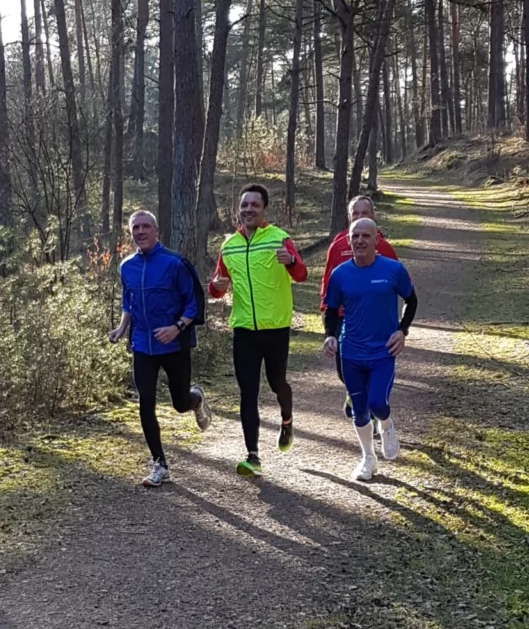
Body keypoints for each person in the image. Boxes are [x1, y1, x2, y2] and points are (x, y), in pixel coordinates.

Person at [208, 183, 308, 478]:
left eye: (254, 205)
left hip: (275, 328)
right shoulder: (229, 246)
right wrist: (216, 288)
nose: (248, 209)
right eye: (244, 205)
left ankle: (287, 420)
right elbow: (217, 286)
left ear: (265, 209)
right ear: (238, 210)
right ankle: (252, 455)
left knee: (278, 384)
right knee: (247, 391)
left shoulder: (279, 239)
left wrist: (290, 261)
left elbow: (301, 275)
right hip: (243, 330)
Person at [109, 209, 212, 488]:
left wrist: (176, 327)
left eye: (145, 227)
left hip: (173, 343)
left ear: (156, 231)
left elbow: (194, 302)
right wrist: (122, 328)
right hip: (142, 343)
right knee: (146, 404)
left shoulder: (175, 263)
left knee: (180, 403)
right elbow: (128, 301)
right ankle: (159, 463)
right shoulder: (126, 265)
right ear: (131, 234)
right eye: (135, 228)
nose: (140, 232)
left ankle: (196, 399)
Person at [323, 217, 418, 482]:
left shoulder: (393, 270)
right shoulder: (340, 274)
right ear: (349, 240)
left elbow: (411, 300)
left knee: (377, 403)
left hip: (382, 352)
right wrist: (330, 336)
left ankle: (386, 425)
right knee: (359, 410)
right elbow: (331, 310)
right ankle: (368, 458)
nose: (360, 241)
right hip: (351, 351)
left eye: (366, 236)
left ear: (377, 240)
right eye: (356, 236)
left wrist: (403, 330)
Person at [320, 195, 398, 419]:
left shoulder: (382, 246)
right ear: (348, 216)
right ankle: (352, 391)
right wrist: (326, 313)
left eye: (365, 213)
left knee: (373, 367)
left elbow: (398, 283)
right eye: (356, 213)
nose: (360, 217)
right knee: (343, 368)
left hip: (375, 320)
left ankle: (370, 413)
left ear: (373, 216)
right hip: (344, 316)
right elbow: (328, 282)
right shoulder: (338, 246)